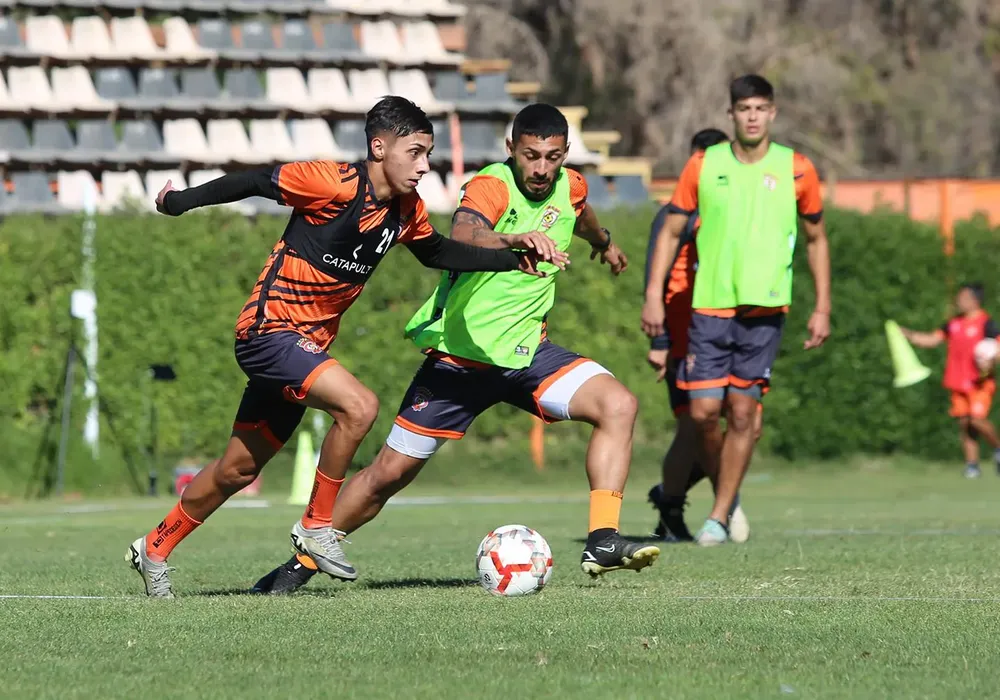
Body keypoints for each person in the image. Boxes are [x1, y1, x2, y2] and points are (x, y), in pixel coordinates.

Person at [125, 96, 564, 598]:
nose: (424, 166)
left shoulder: (406, 210)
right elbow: (255, 181)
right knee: (359, 407)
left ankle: (153, 548)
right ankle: (316, 527)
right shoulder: (331, 182)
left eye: (428, 154)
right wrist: (179, 202)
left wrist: (512, 256)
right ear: (379, 148)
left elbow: (437, 252)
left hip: (302, 348)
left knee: (238, 469)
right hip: (268, 332)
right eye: (415, 153)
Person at [252, 103, 660, 595]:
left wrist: (605, 242)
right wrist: (516, 238)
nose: (540, 168)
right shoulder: (491, 184)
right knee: (386, 476)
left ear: (565, 154)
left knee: (619, 404)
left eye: (552, 157)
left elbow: (580, 209)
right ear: (511, 149)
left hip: (529, 355)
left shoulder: (570, 186)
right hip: (458, 363)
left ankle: (602, 539)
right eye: (530, 155)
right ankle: (300, 564)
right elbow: (465, 233)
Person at [642, 74, 831, 546]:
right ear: (731, 114)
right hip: (709, 308)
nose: (752, 117)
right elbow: (670, 231)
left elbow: (816, 239)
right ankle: (720, 502)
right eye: (744, 108)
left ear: (773, 113)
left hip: (765, 311)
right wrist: (652, 297)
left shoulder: (797, 169)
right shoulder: (704, 165)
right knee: (703, 413)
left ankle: (719, 515)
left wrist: (822, 306)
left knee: (745, 416)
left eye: (760, 108)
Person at [644, 128, 754, 544]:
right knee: (694, 425)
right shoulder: (675, 214)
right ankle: (689, 507)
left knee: (747, 421)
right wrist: (659, 342)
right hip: (684, 335)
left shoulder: (734, 209)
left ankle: (681, 495)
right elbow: (655, 276)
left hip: (730, 328)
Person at [902, 283, 1000, 479]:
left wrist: (989, 361)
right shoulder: (953, 323)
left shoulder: (987, 324)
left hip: (979, 383)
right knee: (965, 423)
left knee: (977, 419)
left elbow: (996, 350)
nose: (958, 301)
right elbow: (932, 340)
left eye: (963, 298)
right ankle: (972, 465)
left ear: (975, 300)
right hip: (957, 381)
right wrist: (908, 335)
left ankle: (998, 448)